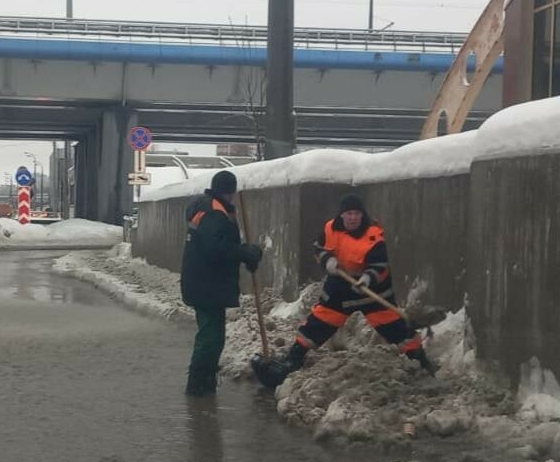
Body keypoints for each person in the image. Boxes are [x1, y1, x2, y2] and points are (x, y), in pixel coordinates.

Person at [252, 193, 434, 388]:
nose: (353, 217)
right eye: (349, 213)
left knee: (395, 326)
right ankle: (294, 357)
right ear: (342, 215)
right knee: (320, 321)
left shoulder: (373, 235)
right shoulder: (331, 228)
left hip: (373, 290)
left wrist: (367, 277)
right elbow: (318, 247)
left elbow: (380, 265)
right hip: (341, 286)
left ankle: (420, 361)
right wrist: (327, 259)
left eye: (356, 213)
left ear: (362, 215)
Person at [180, 170, 262, 397]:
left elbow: (219, 244)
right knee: (211, 336)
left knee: (211, 333)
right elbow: (216, 247)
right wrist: (244, 253)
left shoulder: (208, 207)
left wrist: (244, 254)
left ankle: (202, 383)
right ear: (229, 192)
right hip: (207, 284)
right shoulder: (215, 212)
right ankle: (199, 385)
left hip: (203, 281)